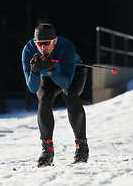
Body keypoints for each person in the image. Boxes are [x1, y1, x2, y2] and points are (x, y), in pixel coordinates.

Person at [21, 23, 89, 167]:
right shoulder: (28, 50)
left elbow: (66, 84)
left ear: (55, 41)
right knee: (44, 99)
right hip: (48, 76)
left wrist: (51, 70)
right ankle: (47, 150)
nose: (42, 48)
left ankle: (81, 146)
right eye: (39, 44)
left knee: (70, 95)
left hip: (72, 74)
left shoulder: (66, 47)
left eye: (47, 43)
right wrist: (34, 71)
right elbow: (33, 88)